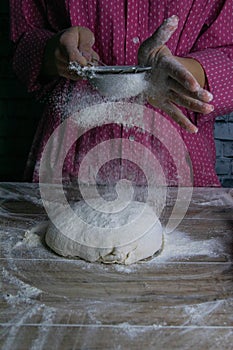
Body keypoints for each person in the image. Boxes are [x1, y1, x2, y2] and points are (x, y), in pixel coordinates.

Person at [9, 0, 233, 187]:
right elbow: (23, 43)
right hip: (70, 153)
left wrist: (180, 73)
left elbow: (229, 53)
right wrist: (54, 52)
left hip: (177, 155)